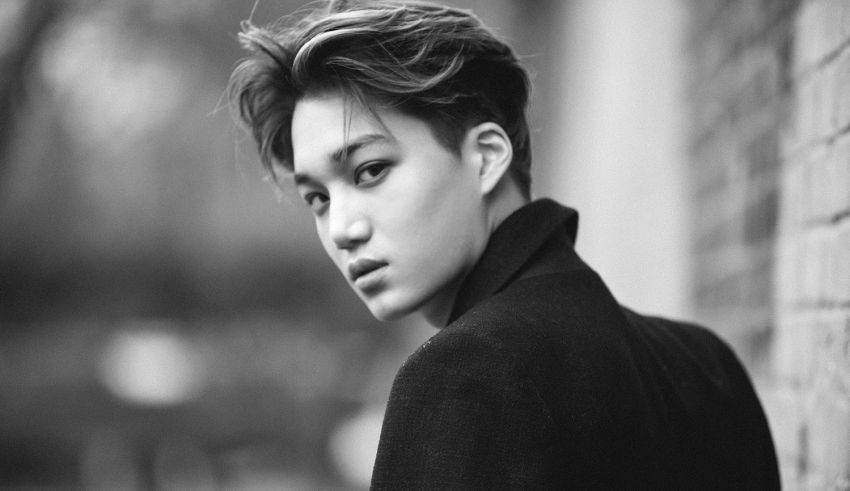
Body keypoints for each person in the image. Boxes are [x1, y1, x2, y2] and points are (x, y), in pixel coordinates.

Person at [227, 0, 780, 488]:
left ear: (487, 157)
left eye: (370, 170)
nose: (343, 227)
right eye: (317, 199)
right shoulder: (707, 366)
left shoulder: (464, 373)